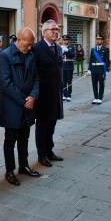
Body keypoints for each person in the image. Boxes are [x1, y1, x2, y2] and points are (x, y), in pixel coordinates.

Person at [0, 27, 40, 186]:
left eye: (31, 45)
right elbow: (5, 83)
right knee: (10, 141)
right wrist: (24, 100)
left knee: (25, 138)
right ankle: (9, 171)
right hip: (13, 107)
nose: (30, 47)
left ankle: (24, 166)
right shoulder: (5, 55)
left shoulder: (30, 54)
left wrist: (33, 96)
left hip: (28, 106)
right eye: (28, 44)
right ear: (19, 40)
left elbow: (37, 79)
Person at [33, 19, 64, 167]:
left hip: (55, 93)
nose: (55, 32)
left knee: (52, 124)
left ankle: (49, 150)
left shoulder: (57, 48)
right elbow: (34, 73)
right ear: (44, 32)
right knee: (42, 126)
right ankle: (41, 154)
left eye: (57, 29)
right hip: (42, 95)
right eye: (52, 29)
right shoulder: (37, 48)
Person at [89, 35, 110, 104]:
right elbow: (91, 60)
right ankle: (95, 97)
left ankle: (100, 98)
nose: (98, 41)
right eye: (97, 39)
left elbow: (107, 60)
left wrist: (107, 70)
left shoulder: (105, 49)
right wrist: (89, 69)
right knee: (94, 84)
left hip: (101, 69)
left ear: (102, 41)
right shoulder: (93, 50)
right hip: (94, 69)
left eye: (100, 40)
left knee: (101, 84)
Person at [61, 34, 75, 102]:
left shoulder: (71, 47)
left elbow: (72, 55)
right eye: (64, 40)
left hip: (69, 67)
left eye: (66, 40)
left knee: (69, 81)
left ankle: (69, 95)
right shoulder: (61, 47)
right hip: (63, 66)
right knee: (63, 81)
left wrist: (67, 50)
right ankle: (64, 94)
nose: (65, 41)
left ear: (69, 41)